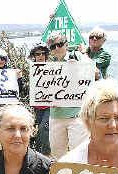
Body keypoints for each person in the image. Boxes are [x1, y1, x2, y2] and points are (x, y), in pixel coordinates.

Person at [47, 32, 90, 160]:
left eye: (59, 45)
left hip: (76, 115)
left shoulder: (77, 57)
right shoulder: (48, 64)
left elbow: (95, 72)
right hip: (56, 115)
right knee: (57, 154)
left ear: (66, 45)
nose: (56, 48)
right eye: (52, 46)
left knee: (79, 153)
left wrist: (78, 68)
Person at [28, 43, 51, 156]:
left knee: (44, 129)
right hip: (37, 108)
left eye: (43, 53)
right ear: (34, 56)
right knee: (36, 132)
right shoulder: (32, 70)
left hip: (50, 107)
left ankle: (43, 155)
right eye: (38, 54)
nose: (41, 56)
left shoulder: (54, 68)